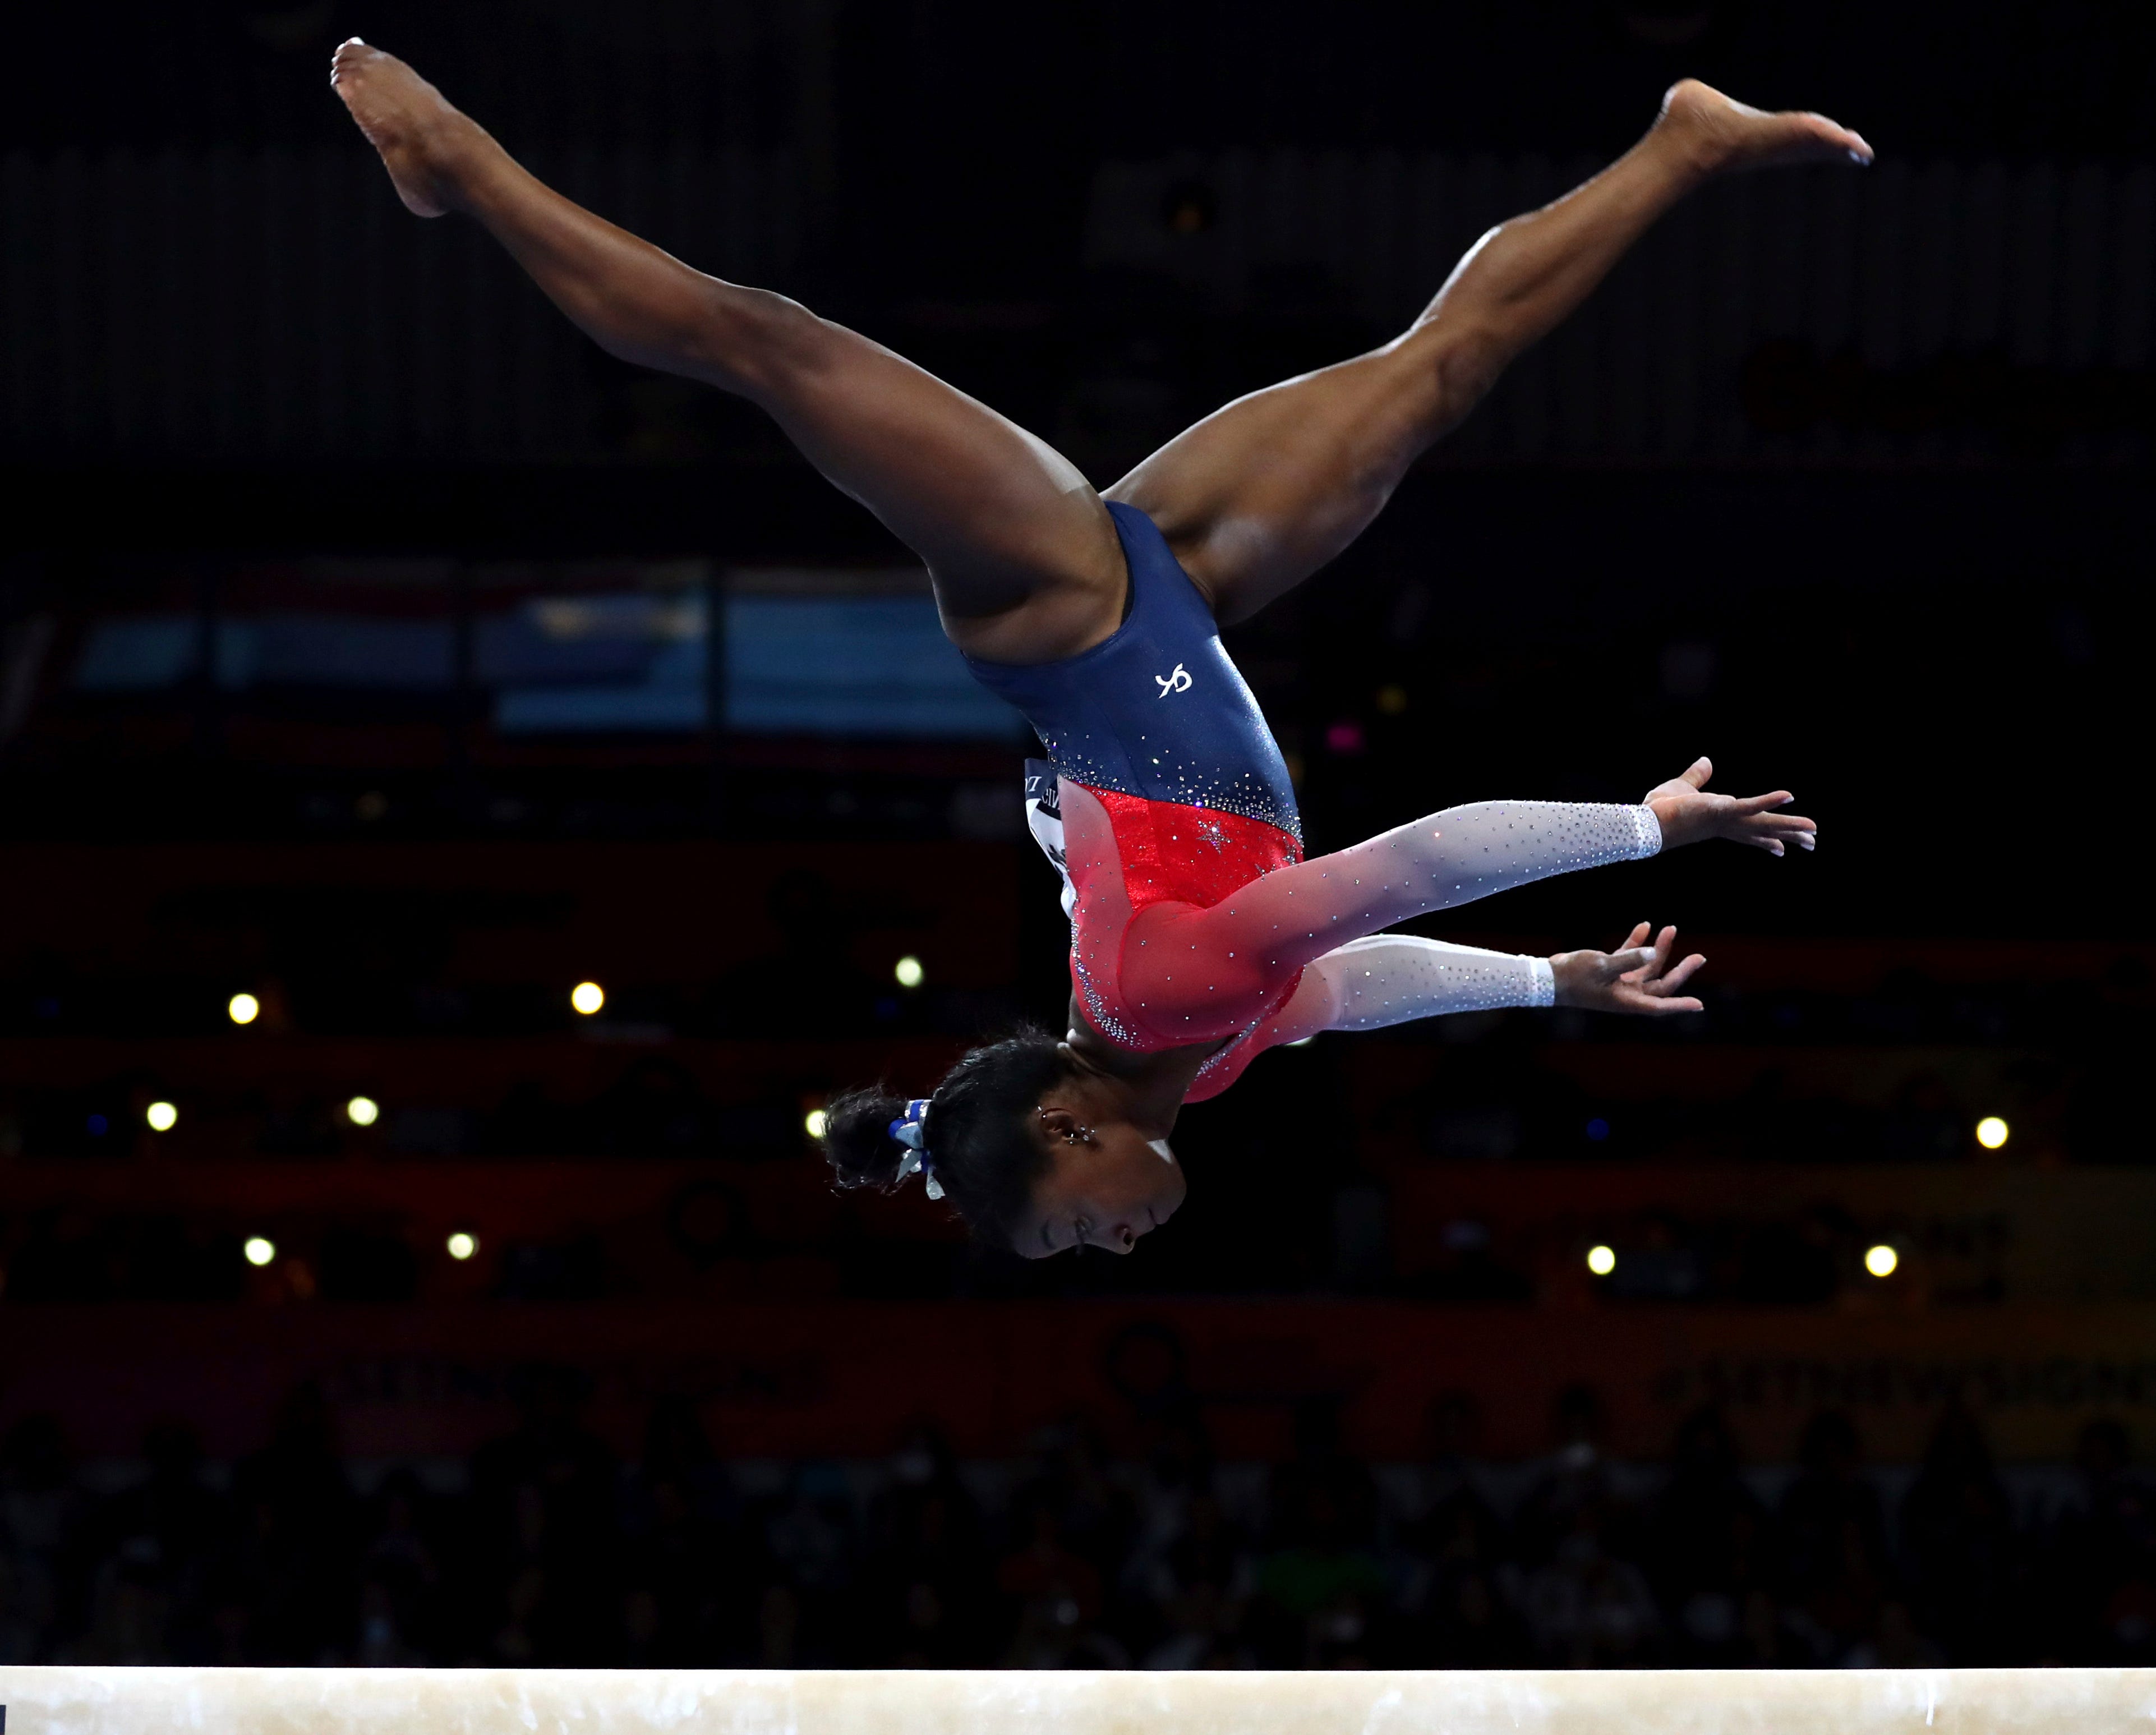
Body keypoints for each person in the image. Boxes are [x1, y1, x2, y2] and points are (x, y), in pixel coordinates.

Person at [331, 39, 1862, 1258]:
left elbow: (1414, 862)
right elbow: (1355, 982)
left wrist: (1643, 829)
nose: (1116, 1246)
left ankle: (455, 165)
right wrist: (1546, 990)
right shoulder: (1196, 1054)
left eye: (1073, 1237)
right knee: (1438, 373)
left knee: (773, 345)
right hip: (1171, 606)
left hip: (1060, 610)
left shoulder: (1167, 988)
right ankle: (1685, 139)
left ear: (1070, 1132)